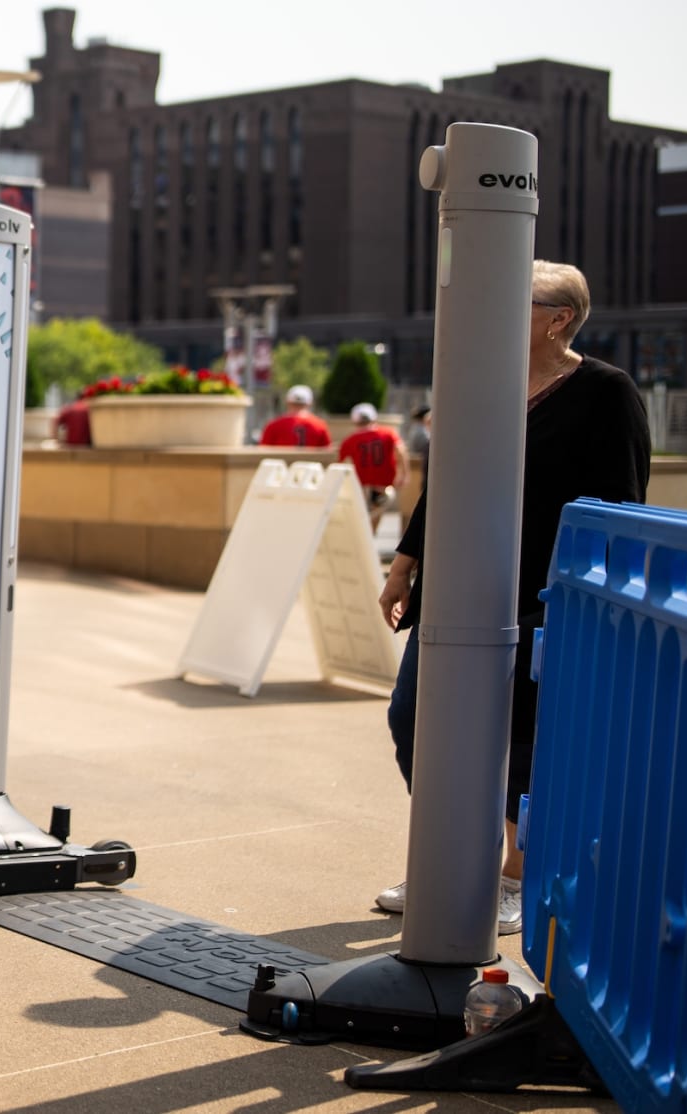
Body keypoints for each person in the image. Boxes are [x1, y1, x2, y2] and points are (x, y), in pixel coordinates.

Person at [374, 261, 648, 933]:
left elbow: (621, 501)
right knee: (415, 721)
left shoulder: (606, 393)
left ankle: (514, 874)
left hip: (543, 594)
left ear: (559, 318)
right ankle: (456, 859)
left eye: (516, 299)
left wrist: (585, 596)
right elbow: (443, 480)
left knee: (520, 740)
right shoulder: (482, 380)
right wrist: (405, 564)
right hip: (454, 588)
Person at [336, 403, 404, 529]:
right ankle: (370, 541)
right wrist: (404, 474)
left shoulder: (351, 439)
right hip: (382, 484)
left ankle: (365, 543)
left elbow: (339, 463)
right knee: (374, 517)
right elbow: (401, 451)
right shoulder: (387, 433)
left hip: (362, 484)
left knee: (361, 517)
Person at [260, 384, 331, 446]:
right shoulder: (320, 425)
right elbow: (327, 452)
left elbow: (263, 450)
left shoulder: (273, 425)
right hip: (311, 461)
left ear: (288, 402)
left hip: (283, 461)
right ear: (309, 403)